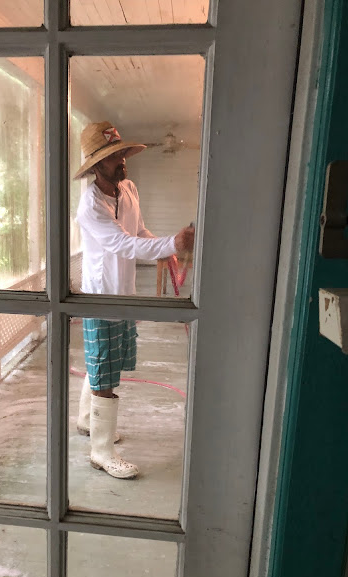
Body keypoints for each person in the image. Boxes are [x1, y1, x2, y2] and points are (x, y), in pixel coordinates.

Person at [73, 121, 194, 480]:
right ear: (96, 165)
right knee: (105, 374)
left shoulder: (128, 189)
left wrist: (164, 248)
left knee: (104, 363)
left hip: (124, 292)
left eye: (122, 153)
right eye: (114, 157)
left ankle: (87, 421)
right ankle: (101, 452)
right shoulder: (90, 206)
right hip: (101, 298)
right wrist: (172, 243)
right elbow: (123, 243)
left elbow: (138, 232)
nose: (122, 161)